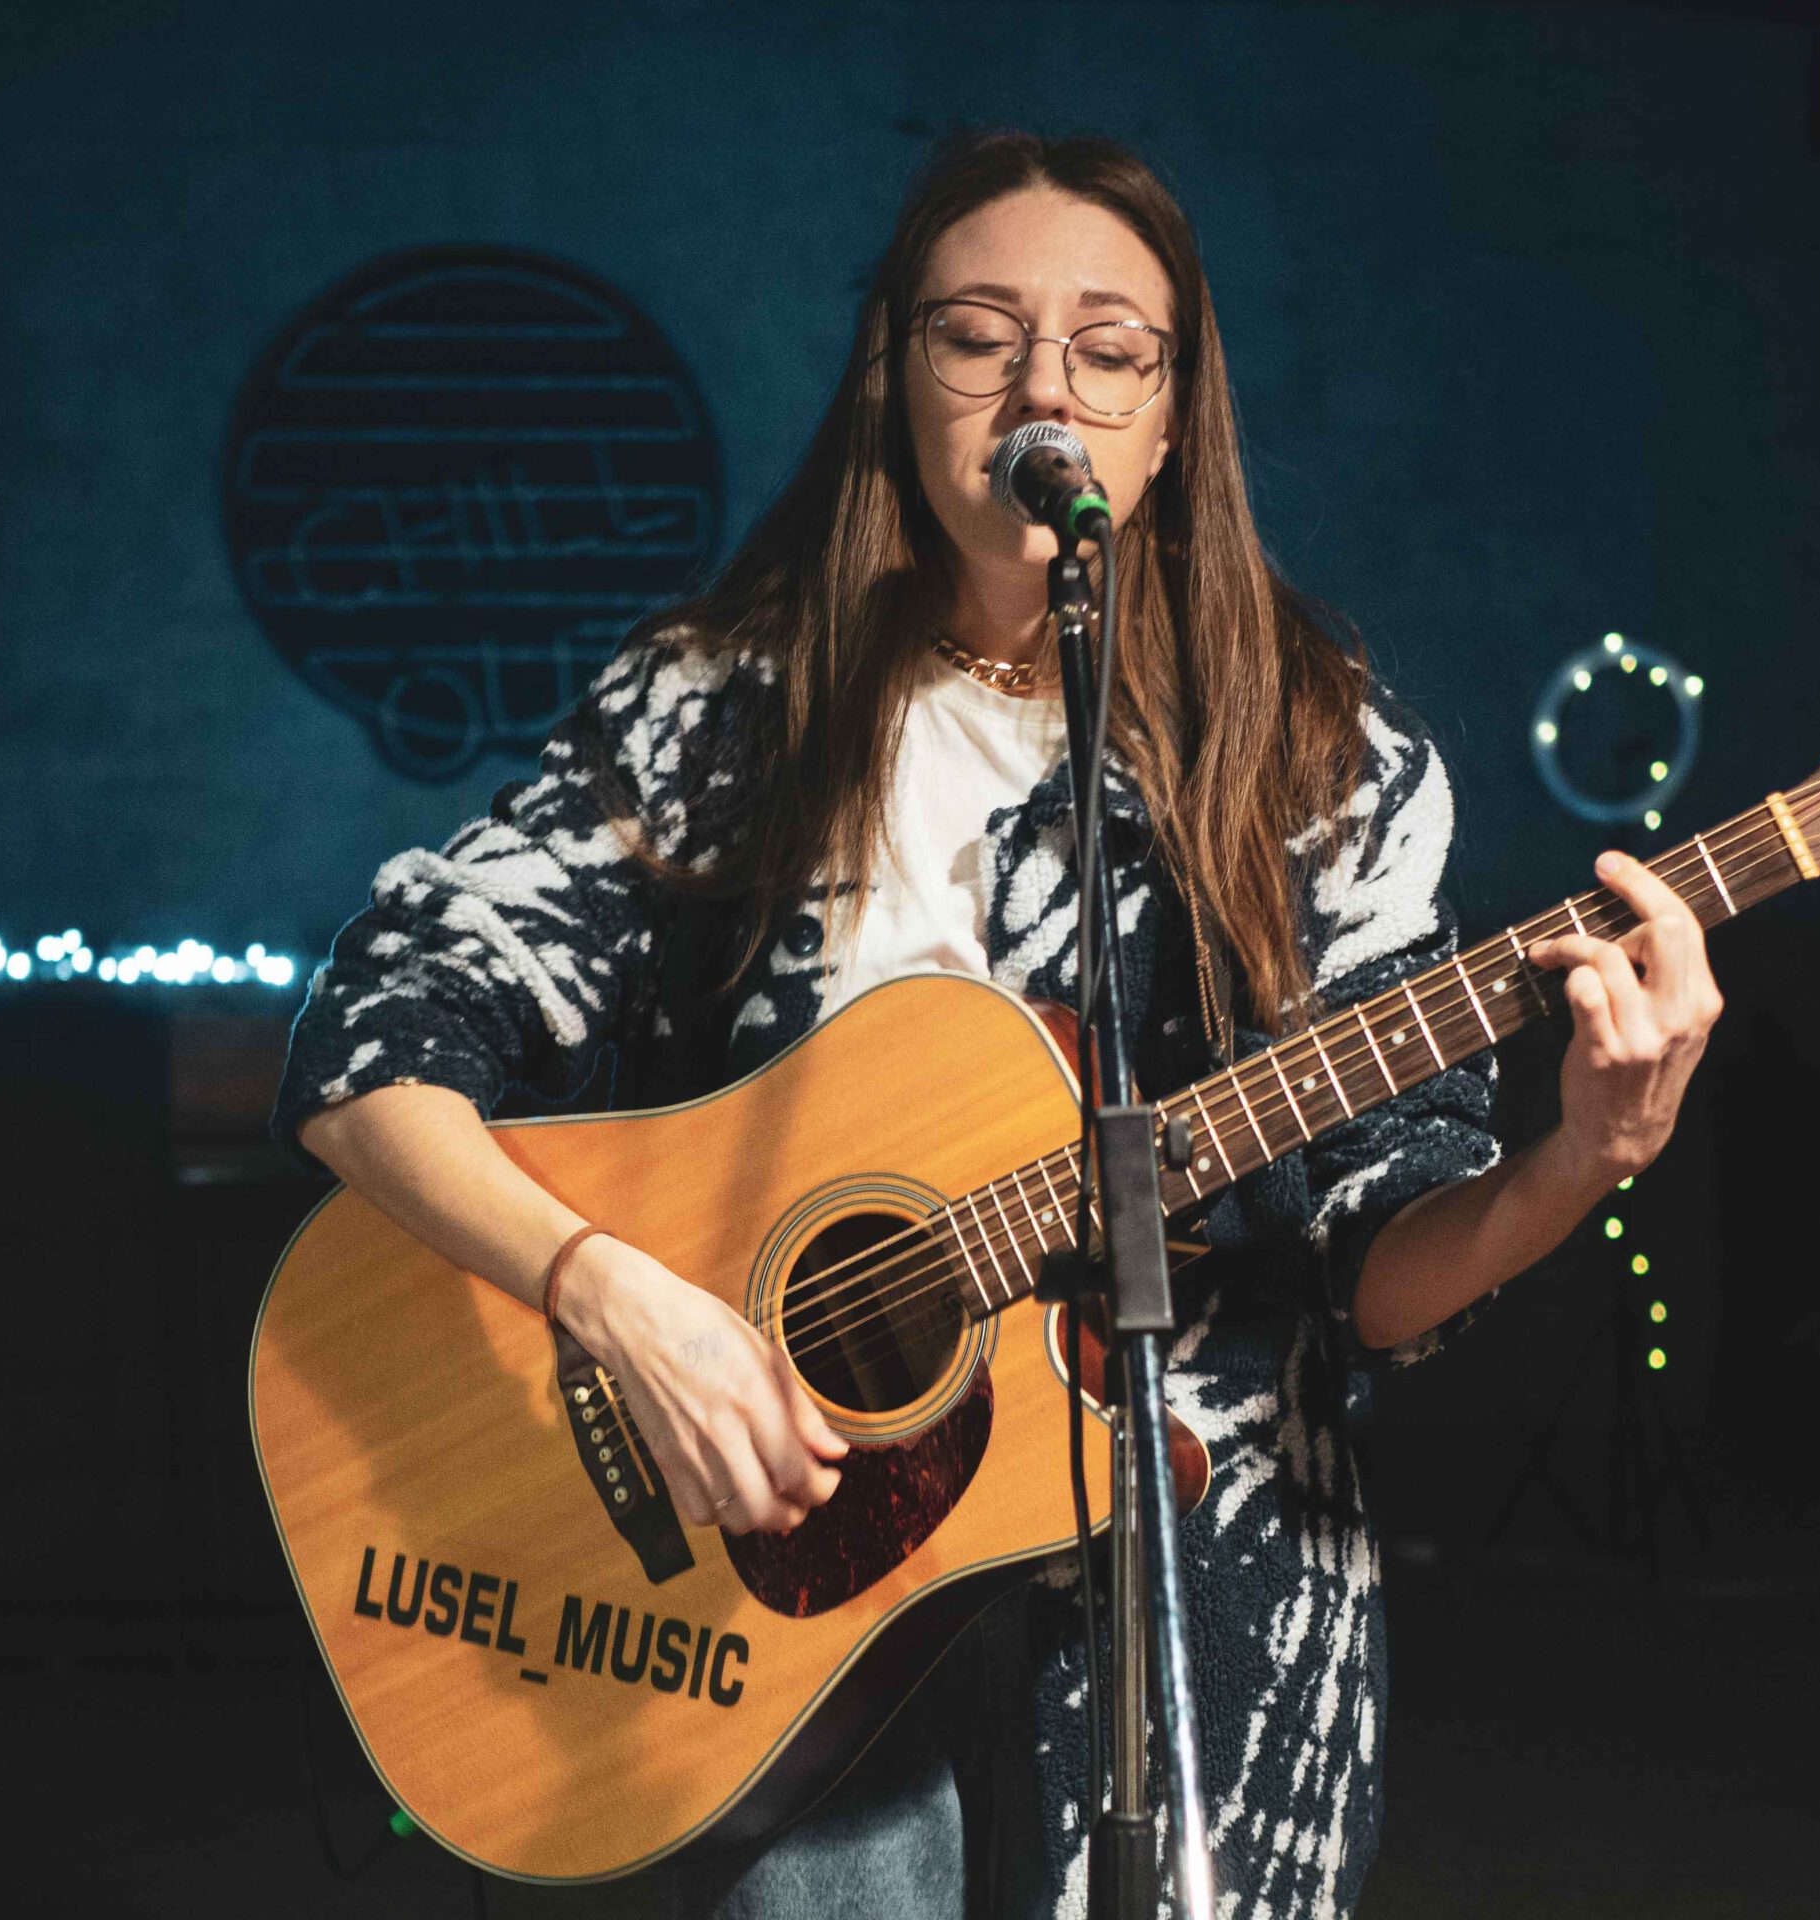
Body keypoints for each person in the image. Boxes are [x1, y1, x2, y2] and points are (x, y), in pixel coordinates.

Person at [274, 129, 1723, 1919]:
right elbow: (374, 1038)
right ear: (896, 373)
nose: (1045, 383)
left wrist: (1587, 1153)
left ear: (1175, 418)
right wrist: (606, 1294)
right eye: (979, 333)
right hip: (770, 1594)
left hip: (1200, 1615)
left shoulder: (1323, 762)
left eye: (1111, 347)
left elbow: (1377, 1261)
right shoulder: (721, 712)